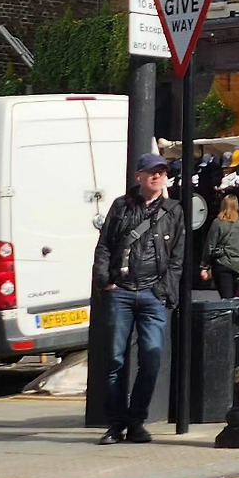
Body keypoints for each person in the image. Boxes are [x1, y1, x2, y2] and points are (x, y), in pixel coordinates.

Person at [91, 153, 185, 445]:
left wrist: (164, 290)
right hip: (120, 291)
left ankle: (136, 421)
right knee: (115, 360)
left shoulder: (173, 211)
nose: (157, 177)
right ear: (139, 176)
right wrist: (105, 281)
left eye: (161, 172)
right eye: (151, 172)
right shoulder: (121, 206)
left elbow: (177, 257)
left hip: (152, 293)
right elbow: (104, 246)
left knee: (152, 358)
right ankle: (116, 424)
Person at [199, 194, 239, 298]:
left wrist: (205, 266)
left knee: (226, 297)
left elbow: (210, 244)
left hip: (222, 263)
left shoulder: (218, 223)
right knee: (236, 297)